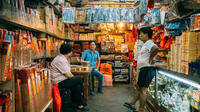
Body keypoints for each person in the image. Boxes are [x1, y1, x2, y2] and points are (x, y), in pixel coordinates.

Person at [124, 27, 158, 112]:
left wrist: (150, 59)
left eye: (141, 33)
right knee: (139, 87)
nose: (140, 35)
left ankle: (141, 109)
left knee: (143, 90)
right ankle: (132, 103)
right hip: (144, 68)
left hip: (147, 68)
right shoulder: (145, 43)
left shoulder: (149, 43)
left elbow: (155, 48)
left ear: (146, 34)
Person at [50, 43, 89, 111]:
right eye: (71, 51)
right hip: (59, 82)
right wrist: (74, 78)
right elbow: (68, 74)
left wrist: (73, 77)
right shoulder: (60, 60)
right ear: (69, 52)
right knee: (79, 80)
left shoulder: (61, 58)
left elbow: (67, 70)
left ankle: (78, 104)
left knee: (77, 86)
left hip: (62, 80)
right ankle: (81, 100)